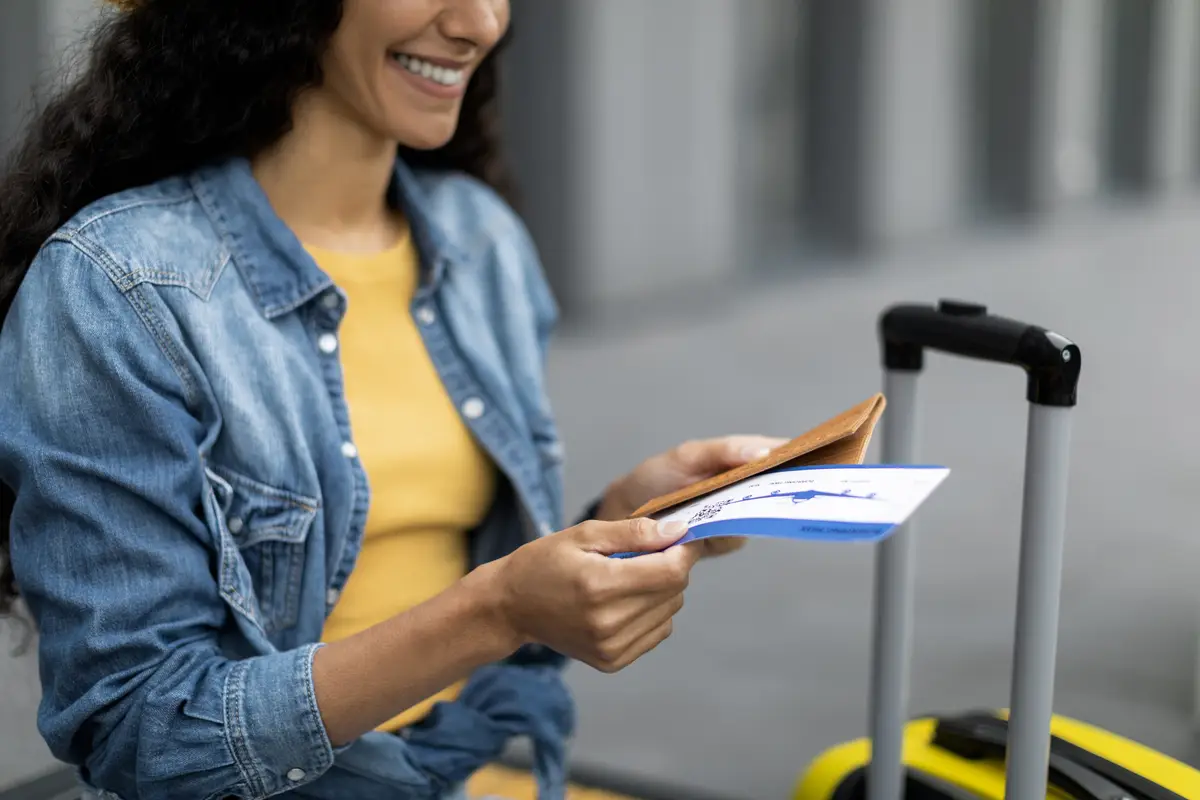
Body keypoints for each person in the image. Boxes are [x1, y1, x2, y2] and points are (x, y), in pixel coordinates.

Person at [0, 2, 783, 799]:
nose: (480, 22)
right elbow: (143, 734)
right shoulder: (115, 286)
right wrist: (500, 611)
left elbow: (495, 596)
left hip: (469, 769)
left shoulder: (480, 240)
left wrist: (625, 518)